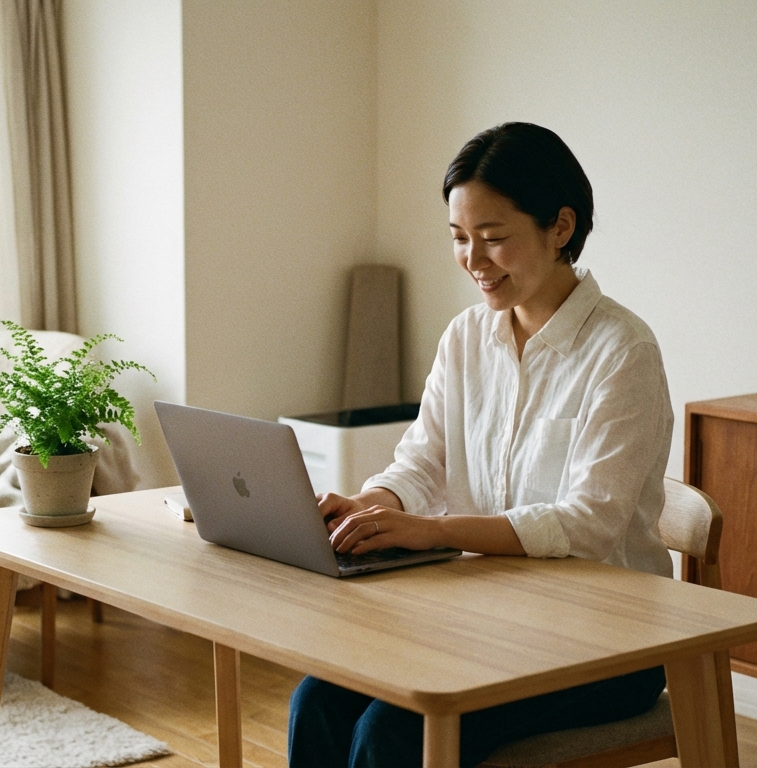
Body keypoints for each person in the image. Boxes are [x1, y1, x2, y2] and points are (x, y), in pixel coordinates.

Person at [287, 122, 675, 767]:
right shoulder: (468, 338)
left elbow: (590, 523)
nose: (474, 260)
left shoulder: (622, 352)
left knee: (392, 732)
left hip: (609, 641)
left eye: (494, 239)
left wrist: (432, 531)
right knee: (317, 699)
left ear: (560, 227)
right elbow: (422, 461)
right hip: (491, 619)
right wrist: (369, 505)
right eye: (460, 239)